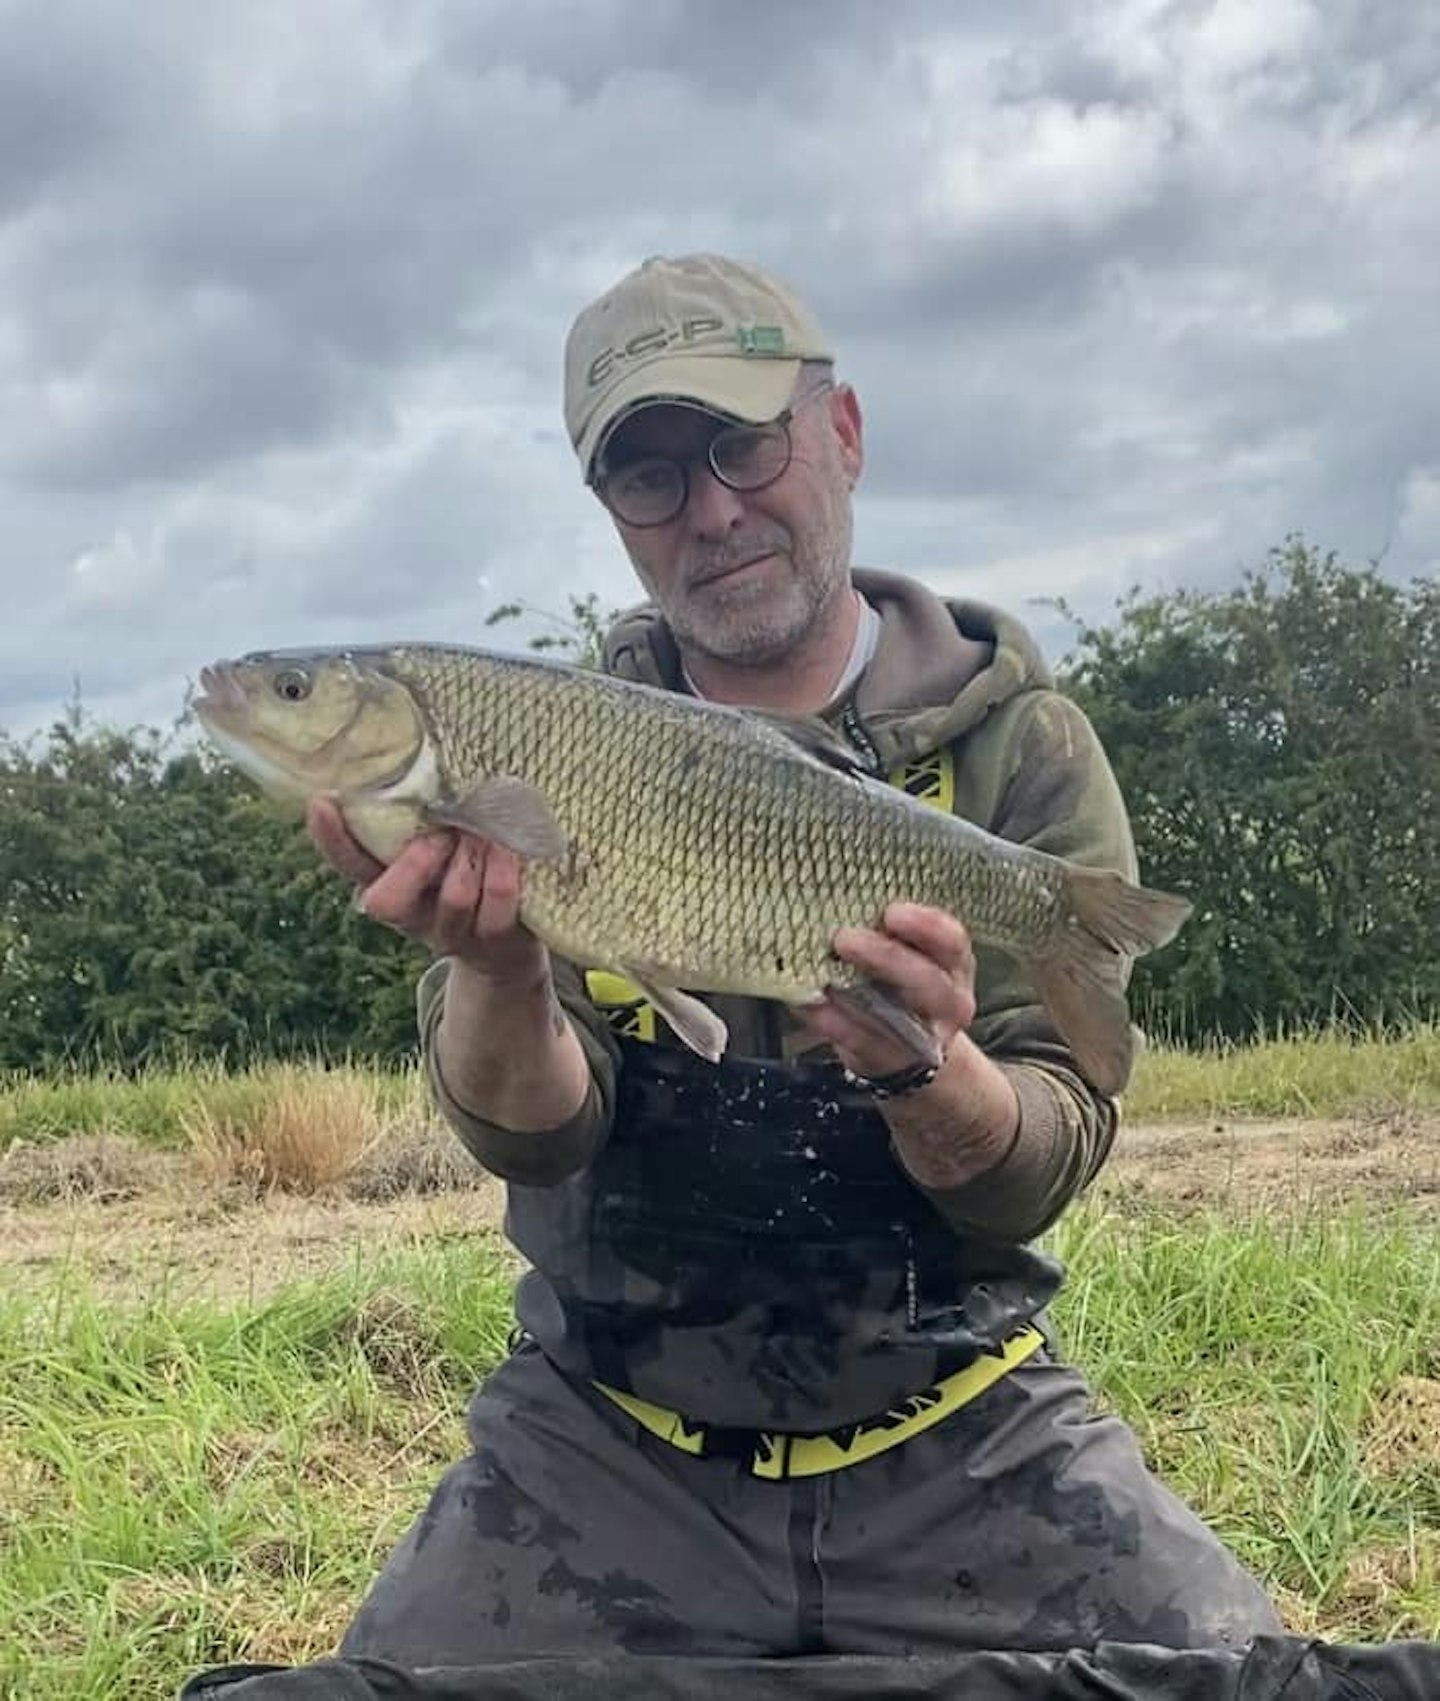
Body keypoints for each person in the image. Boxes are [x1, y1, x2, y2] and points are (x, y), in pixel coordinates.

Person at [308, 252, 1281, 1665]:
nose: (710, 509)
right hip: (607, 1436)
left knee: (1233, 1672)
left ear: (843, 433)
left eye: (739, 443)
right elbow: (533, 1137)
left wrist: (928, 1071)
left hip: (959, 1423)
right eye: (650, 477)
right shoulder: (558, 741)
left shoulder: (1022, 746)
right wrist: (503, 971)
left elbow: (1046, 1153)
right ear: (613, 516)